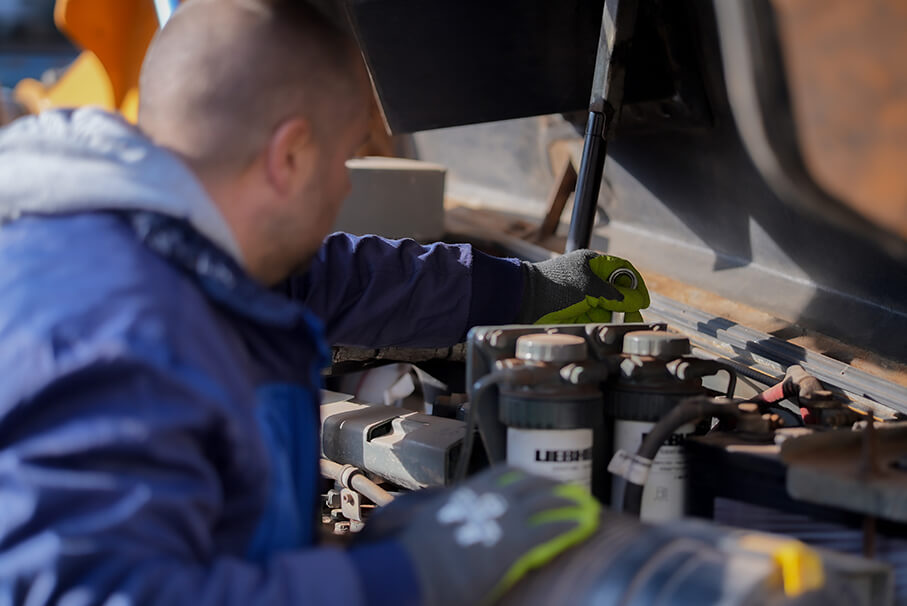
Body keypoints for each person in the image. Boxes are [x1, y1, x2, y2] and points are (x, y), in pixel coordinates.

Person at [0, 1, 622, 604]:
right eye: (346, 152)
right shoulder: (116, 331)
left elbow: (340, 276)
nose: (346, 183)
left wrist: (523, 288)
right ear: (290, 155)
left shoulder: (170, 243)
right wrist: (400, 577)